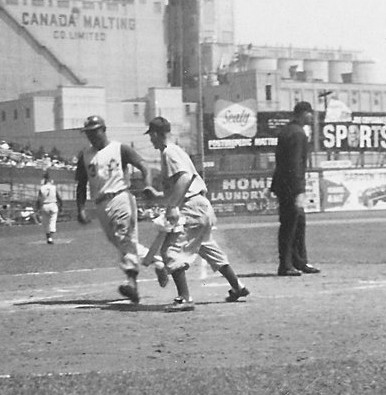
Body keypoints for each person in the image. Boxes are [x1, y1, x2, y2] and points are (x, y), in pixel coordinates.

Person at [143, 117, 248, 311]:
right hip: (201, 206)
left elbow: (185, 177)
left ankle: (185, 298)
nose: (151, 140)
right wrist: (159, 195)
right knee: (206, 247)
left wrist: (173, 206)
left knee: (171, 251)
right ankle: (238, 287)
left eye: (151, 135)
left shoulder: (168, 151)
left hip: (192, 207)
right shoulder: (176, 150)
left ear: (157, 134)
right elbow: (183, 183)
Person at [74, 115, 156, 304]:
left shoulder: (120, 148)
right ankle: (157, 261)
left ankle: (131, 283)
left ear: (104, 129)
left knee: (123, 238)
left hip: (120, 197)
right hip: (101, 203)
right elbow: (81, 184)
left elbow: (144, 165)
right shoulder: (85, 155)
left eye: (95, 131)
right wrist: (81, 208)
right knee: (120, 241)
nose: (91, 136)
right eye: (88, 133)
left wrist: (148, 184)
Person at [270, 101, 321, 276]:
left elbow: (282, 162)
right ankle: (285, 264)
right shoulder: (298, 133)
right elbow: (294, 164)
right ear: (303, 114)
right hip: (290, 186)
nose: (311, 116)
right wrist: (299, 189)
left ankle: (299, 261)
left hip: (283, 184)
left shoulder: (287, 130)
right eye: (309, 113)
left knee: (297, 223)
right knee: (290, 225)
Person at [35, 170, 61, 244]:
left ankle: (48, 237)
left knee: (45, 222)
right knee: (52, 221)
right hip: (53, 204)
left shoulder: (42, 188)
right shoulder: (53, 187)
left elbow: (39, 199)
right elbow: (59, 197)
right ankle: (51, 237)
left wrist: (37, 208)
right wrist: (61, 205)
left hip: (45, 205)